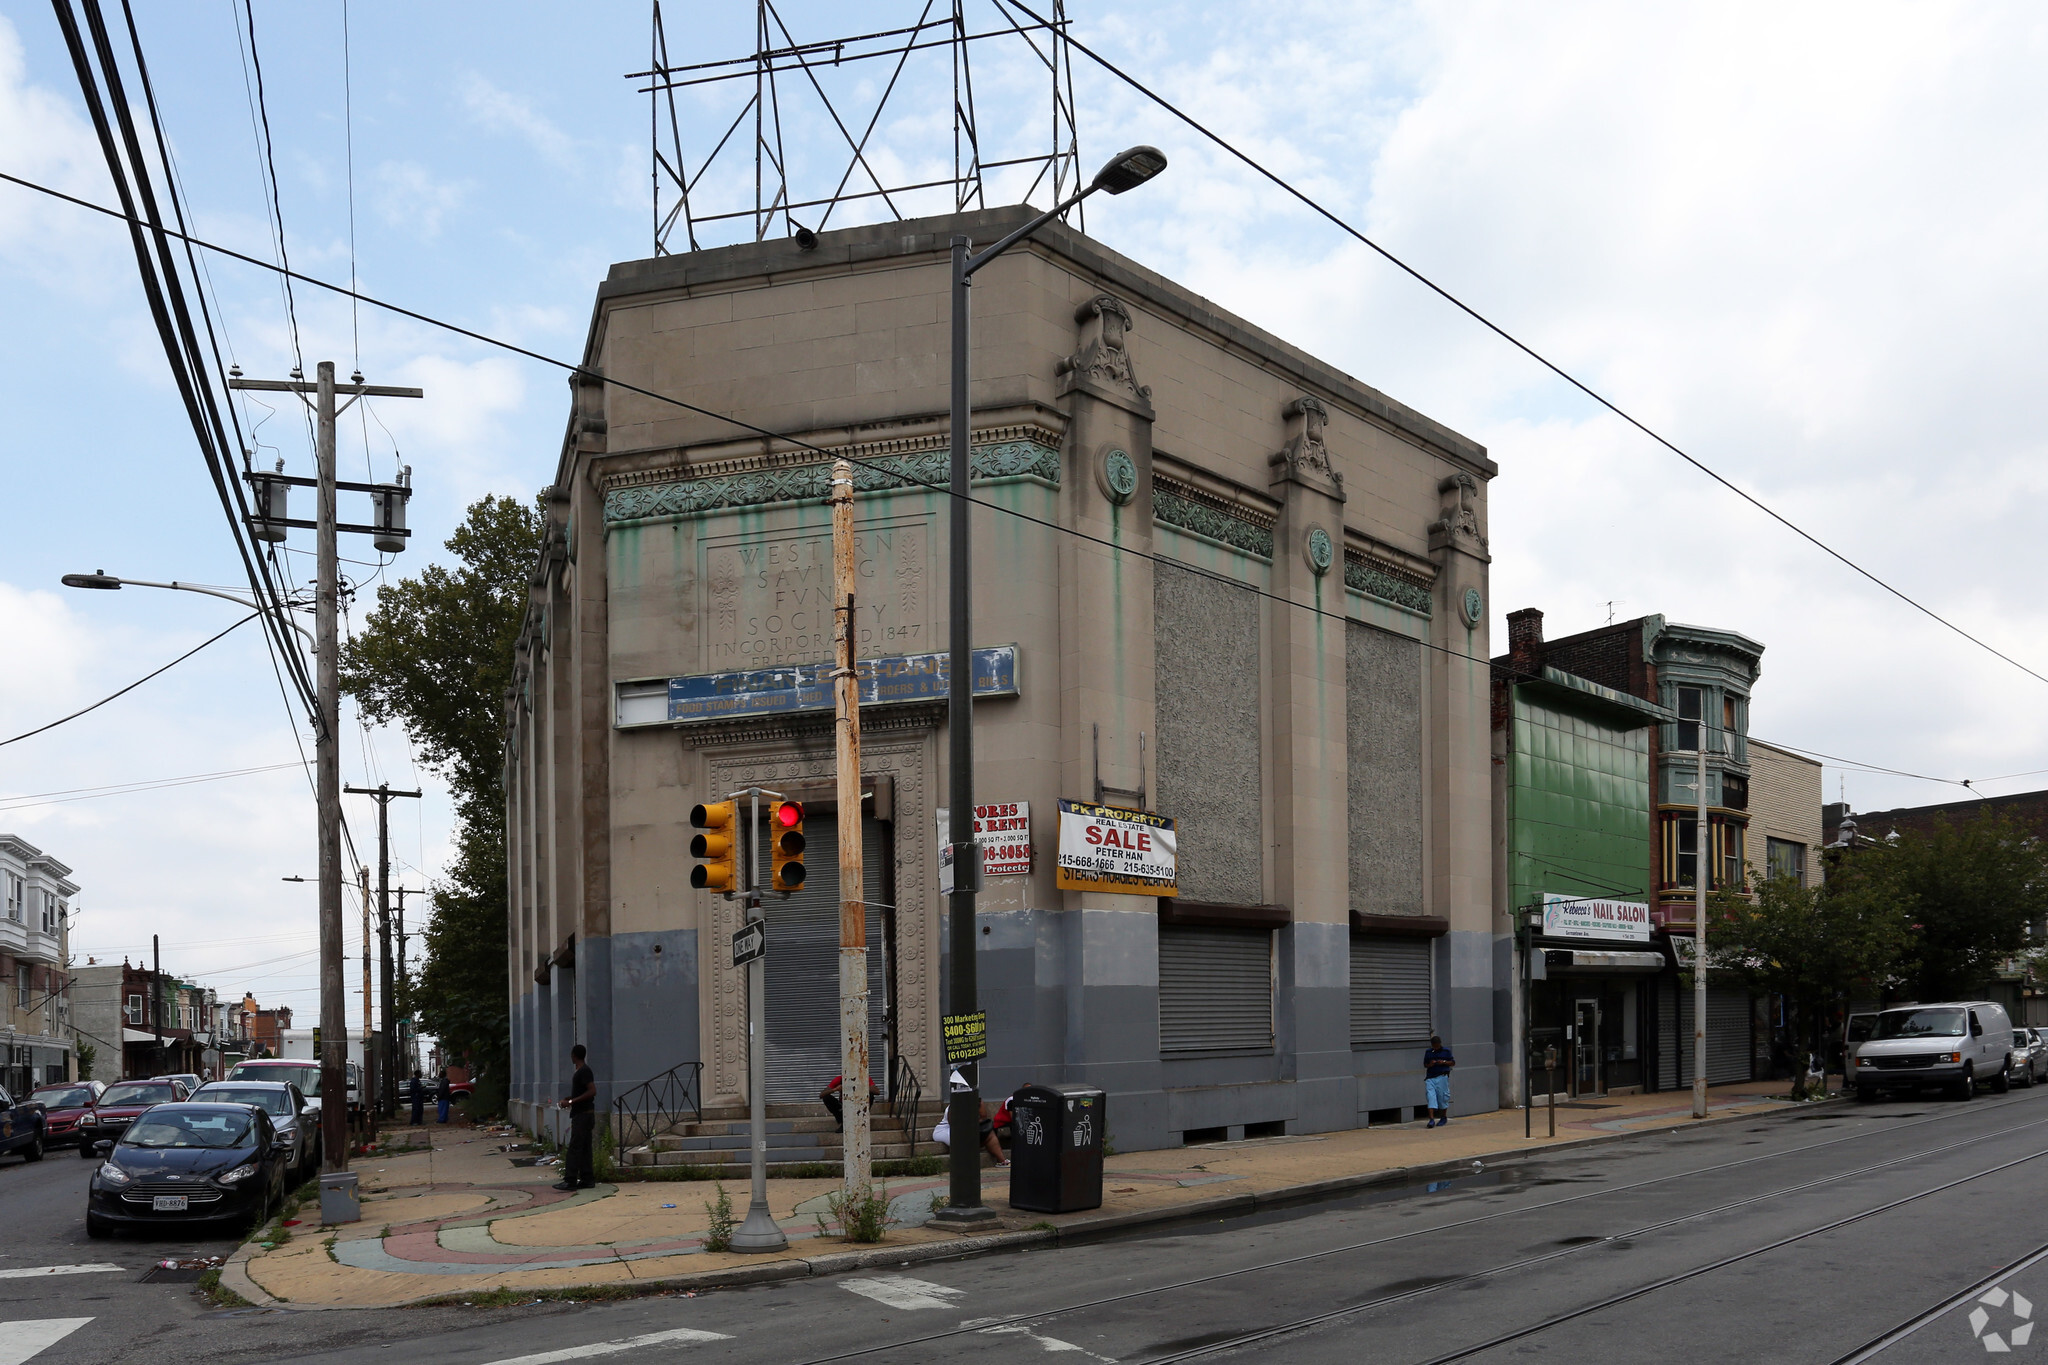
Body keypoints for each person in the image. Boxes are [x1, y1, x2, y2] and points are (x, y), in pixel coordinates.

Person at [555, 1044, 597, 1192]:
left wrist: (571, 1102)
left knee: (575, 1147)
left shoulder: (584, 1071)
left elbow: (592, 1091)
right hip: (584, 1114)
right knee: (585, 1148)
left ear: (574, 1055)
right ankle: (587, 1179)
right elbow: (583, 1092)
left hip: (582, 1116)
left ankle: (570, 1180)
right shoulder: (581, 1071)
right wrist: (570, 1098)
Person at [1423, 1034, 1456, 1128]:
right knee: (1430, 1097)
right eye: (1434, 1046)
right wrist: (1430, 1064)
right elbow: (1425, 1064)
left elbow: (1453, 1062)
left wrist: (1444, 1062)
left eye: (1437, 1046)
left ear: (1439, 1044)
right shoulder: (1428, 1052)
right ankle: (1431, 1119)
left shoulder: (1446, 1051)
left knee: (1443, 1097)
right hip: (1430, 1077)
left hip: (1442, 1076)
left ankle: (1443, 1117)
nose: (1436, 1048)